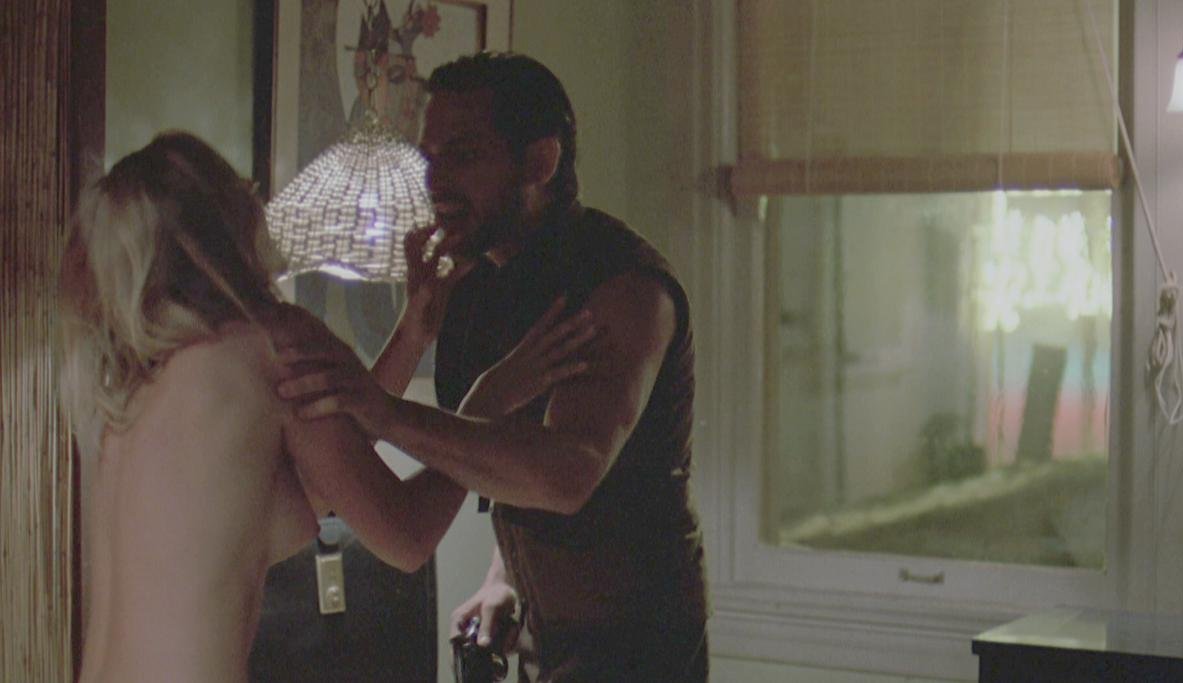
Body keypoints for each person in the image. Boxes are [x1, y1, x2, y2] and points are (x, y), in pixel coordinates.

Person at [58, 131, 594, 683]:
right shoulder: (275, 339)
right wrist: (488, 400)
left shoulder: (140, 383)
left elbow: (328, 463)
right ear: (224, 222)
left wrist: (412, 334)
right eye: (242, 188)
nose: (257, 197)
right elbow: (405, 534)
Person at [277, 52, 709, 681]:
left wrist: (389, 413)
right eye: (429, 157)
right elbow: (497, 460)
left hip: (638, 646)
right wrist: (502, 575)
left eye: (463, 155)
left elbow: (566, 474)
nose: (435, 181)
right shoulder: (475, 285)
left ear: (540, 162)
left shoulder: (621, 286)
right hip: (538, 636)